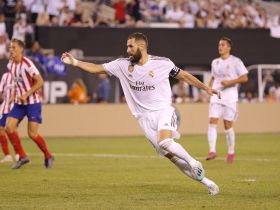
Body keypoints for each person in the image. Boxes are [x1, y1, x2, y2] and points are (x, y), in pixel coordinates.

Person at [61, 32, 220, 195]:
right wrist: (74, 61)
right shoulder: (121, 65)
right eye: (127, 46)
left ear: (141, 46)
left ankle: (193, 162)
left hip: (163, 110)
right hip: (144, 119)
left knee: (165, 142)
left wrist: (206, 88)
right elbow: (96, 68)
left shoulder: (162, 63)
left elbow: (185, 76)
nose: (127, 50)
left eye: (131, 46)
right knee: (173, 159)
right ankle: (209, 184)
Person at [6, 38, 54, 169]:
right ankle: (23, 156)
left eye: (14, 47)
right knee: (9, 127)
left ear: (21, 49)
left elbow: (40, 81)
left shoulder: (27, 64)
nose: (11, 50)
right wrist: (14, 95)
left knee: (32, 134)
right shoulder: (10, 65)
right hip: (19, 103)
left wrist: (26, 94)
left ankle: (48, 155)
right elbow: (17, 82)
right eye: (10, 47)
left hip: (32, 103)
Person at [206, 37, 248, 163]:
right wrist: (208, 88)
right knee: (212, 121)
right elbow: (213, 78)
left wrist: (231, 82)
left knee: (227, 125)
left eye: (223, 45)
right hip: (216, 95)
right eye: (219, 45)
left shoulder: (236, 61)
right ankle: (212, 150)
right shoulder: (215, 62)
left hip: (230, 97)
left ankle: (231, 152)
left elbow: (244, 78)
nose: (220, 47)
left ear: (229, 47)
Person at [0, 71, 19, 163]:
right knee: (0, 129)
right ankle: (7, 156)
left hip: (15, 106)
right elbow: (1, 91)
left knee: (12, 129)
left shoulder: (20, 75)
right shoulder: (5, 76)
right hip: (4, 107)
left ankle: (18, 154)